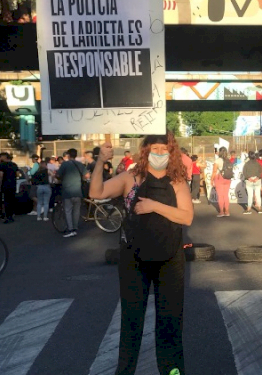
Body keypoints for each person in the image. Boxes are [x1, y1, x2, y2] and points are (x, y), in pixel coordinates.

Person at [89, 134, 193, 375]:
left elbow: (186, 216)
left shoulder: (178, 181)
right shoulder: (130, 177)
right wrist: (99, 162)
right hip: (133, 259)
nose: (159, 153)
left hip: (170, 258)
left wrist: (154, 206)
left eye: (163, 149)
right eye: (154, 148)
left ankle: (173, 371)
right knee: (131, 321)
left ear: (171, 152)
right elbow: (97, 192)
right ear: (145, 151)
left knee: (170, 321)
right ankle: (125, 371)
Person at [56, 149, 89, 237]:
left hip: (67, 191)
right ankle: (75, 228)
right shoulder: (79, 164)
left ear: (68, 155)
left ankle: (70, 229)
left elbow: (58, 175)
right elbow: (87, 175)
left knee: (68, 211)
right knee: (76, 211)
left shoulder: (64, 164)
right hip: (78, 191)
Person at [0, 153, 19, 224]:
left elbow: (0, 176)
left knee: (6, 201)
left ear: (4, 157)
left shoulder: (2, 165)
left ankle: (7, 216)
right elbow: (17, 174)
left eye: (1, 156)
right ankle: (11, 215)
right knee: (12, 200)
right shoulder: (14, 165)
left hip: (5, 185)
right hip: (13, 184)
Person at [213, 147, 232, 217]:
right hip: (228, 178)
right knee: (226, 195)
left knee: (220, 196)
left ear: (219, 152)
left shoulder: (217, 160)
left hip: (219, 178)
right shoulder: (228, 160)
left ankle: (221, 212)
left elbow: (214, 171)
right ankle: (227, 211)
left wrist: (211, 180)